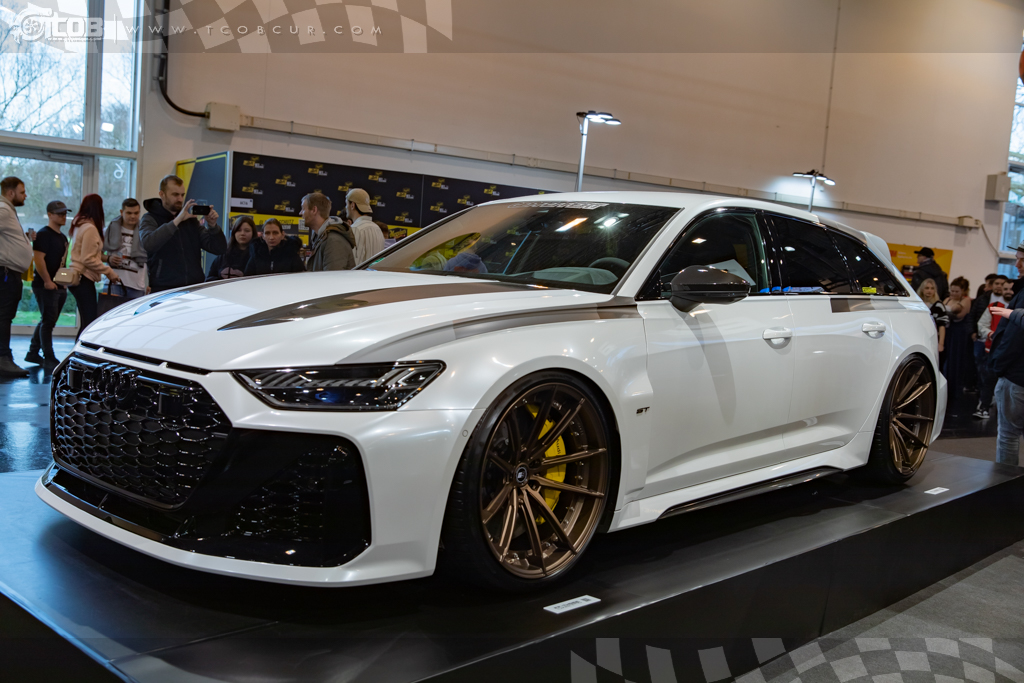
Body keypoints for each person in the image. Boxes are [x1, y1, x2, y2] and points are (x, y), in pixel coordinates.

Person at [140, 175, 225, 292]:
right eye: (175, 195)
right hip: (164, 288)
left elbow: (219, 249)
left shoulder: (190, 221)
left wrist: (212, 226)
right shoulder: (150, 218)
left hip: (193, 287)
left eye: (182, 195)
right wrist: (176, 221)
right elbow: (148, 243)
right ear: (162, 194)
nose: (180, 199)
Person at [987, 242, 1024, 466]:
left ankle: (1006, 483)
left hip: (1016, 378)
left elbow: (1014, 339)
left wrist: (998, 365)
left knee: (1009, 435)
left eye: (1022, 259)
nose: (1017, 264)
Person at [25, 201, 71, 369]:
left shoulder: (63, 238)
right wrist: (47, 281)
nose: (63, 216)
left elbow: (62, 263)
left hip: (58, 285)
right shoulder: (44, 234)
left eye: (65, 213)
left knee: (47, 320)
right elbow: (38, 259)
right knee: (48, 321)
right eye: (59, 213)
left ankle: (33, 352)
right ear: (50, 215)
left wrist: (63, 282)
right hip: (45, 285)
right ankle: (49, 356)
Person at [68, 195, 120, 340]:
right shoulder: (90, 228)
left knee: (86, 321)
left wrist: (106, 259)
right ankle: (79, 351)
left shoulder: (79, 226)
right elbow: (88, 259)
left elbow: (88, 254)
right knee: (89, 323)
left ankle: (77, 350)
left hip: (77, 277)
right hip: (84, 278)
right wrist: (109, 271)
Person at [0, 176, 34, 377]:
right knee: (4, 316)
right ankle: (3, 359)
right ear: (11, 193)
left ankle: (4, 357)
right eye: (22, 192)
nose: (25, 195)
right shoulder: (4, 210)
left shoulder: (8, 211)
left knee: (5, 315)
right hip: (5, 273)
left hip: (10, 272)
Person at [974, 277, 1010, 419]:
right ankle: (984, 407)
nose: (1007, 291)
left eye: (1010, 289)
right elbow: (981, 325)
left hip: (1012, 353)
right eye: (1005, 289)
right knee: (988, 380)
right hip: (992, 351)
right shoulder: (994, 306)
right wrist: (991, 334)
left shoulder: (1019, 308)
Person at [102, 198, 148, 300]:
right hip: (113, 283)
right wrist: (109, 258)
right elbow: (96, 255)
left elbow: (151, 258)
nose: (133, 216)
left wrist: (150, 283)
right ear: (121, 212)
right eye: (129, 213)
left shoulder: (144, 232)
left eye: (136, 213)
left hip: (137, 286)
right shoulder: (109, 231)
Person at [942, 276, 972, 416]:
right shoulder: (948, 299)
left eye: (956, 291)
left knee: (955, 362)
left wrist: (946, 309)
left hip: (958, 334)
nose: (953, 293)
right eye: (952, 291)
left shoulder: (966, 300)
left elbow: (957, 312)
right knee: (944, 361)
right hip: (947, 332)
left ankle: (954, 390)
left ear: (963, 291)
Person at [304, 192, 356, 272]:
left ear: (314, 210)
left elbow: (333, 278)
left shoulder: (334, 241)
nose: (300, 213)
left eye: (303, 209)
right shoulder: (322, 237)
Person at [206, 216, 255, 281]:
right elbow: (209, 279)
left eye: (247, 230)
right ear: (234, 232)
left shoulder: (256, 257)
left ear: (253, 233)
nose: (242, 233)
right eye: (239, 230)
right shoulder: (223, 255)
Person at [346, 188, 385, 263]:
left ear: (352, 205)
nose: (346, 207)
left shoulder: (355, 229)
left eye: (346, 204)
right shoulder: (377, 228)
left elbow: (354, 264)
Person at [918, 278, 948, 352]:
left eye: (932, 288)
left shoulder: (939, 305)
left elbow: (942, 326)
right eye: (927, 288)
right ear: (922, 289)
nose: (929, 291)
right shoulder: (917, 304)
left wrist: (941, 343)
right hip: (918, 336)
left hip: (933, 339)